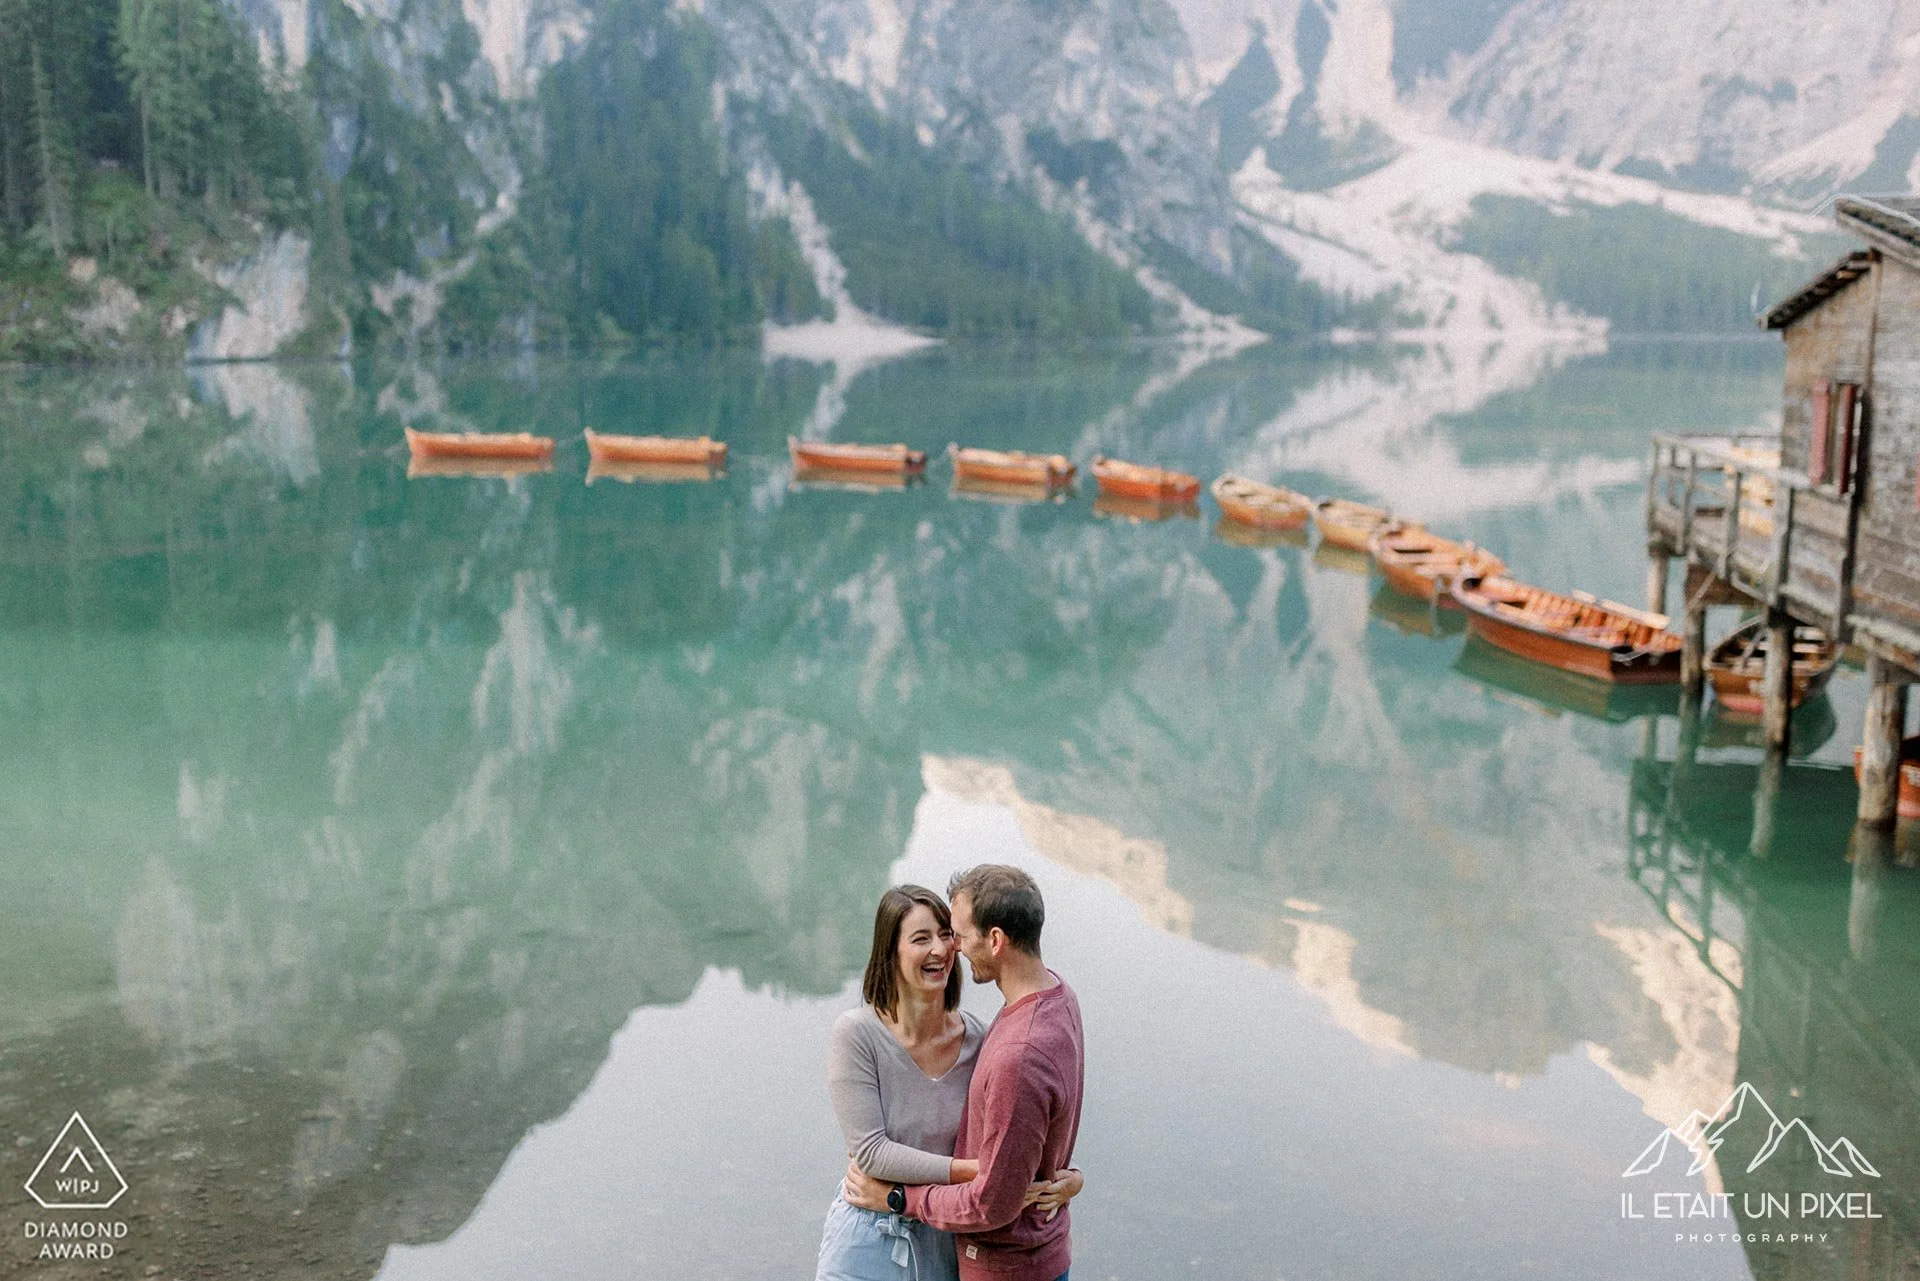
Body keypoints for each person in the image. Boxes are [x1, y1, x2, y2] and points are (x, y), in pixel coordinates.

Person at [818, 883, 1082, 1281]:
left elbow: (1023, 1122)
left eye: (947, 935)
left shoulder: (981, 1040)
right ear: (891, 953)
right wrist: (985, 1173)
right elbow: (871, 1153)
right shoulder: (856, 1035)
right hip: (869, 1234)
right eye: (921, 938)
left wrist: (1064, 1175)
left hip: (947, 1241)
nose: (941, 949)